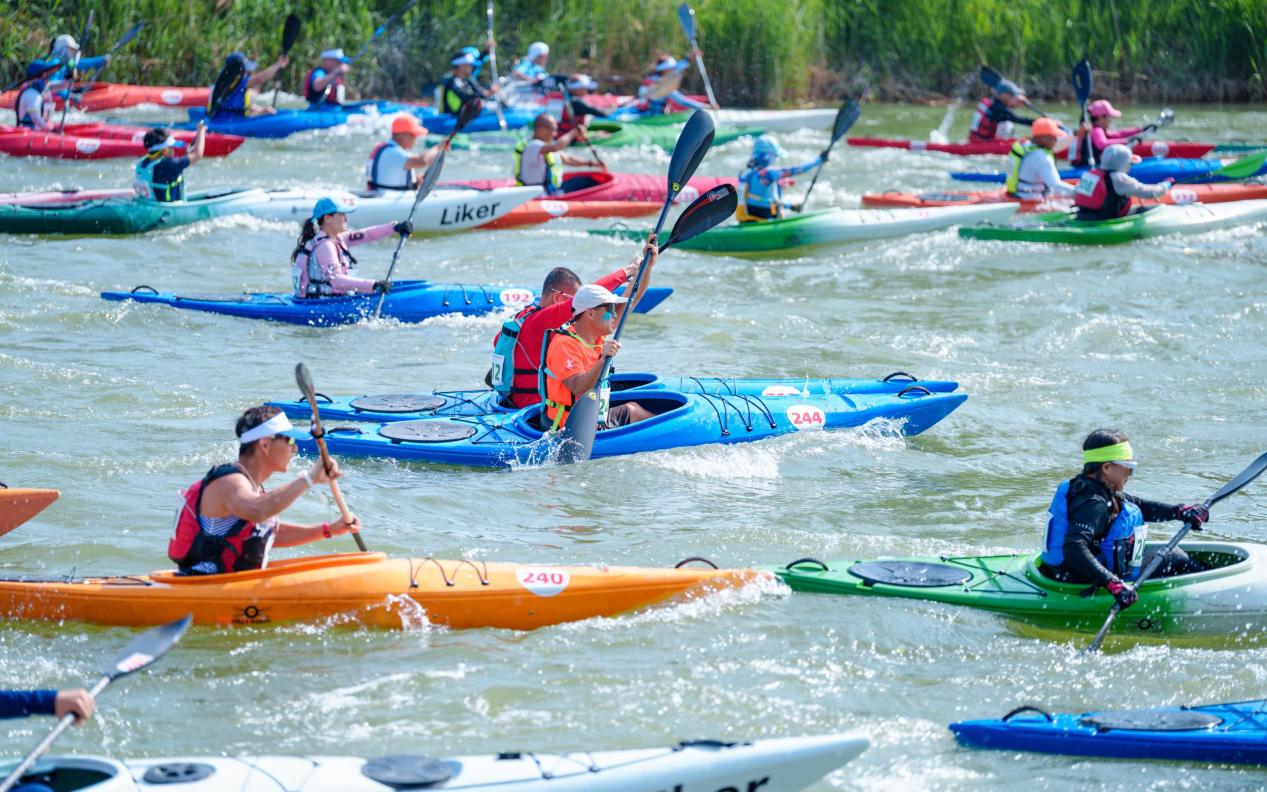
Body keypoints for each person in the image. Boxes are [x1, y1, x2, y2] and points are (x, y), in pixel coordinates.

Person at [168, 406, 362, 575]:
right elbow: (257, 511)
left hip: (231, 586)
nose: (295, 449)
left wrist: (328, 530)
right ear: (265, 444)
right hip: (206, 587)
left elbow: (268, 534)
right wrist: (309, 479)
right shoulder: (229, 482)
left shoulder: (252, 486)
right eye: (291, 441)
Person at [1039, 429, 1210, 611]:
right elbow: (1074, 547)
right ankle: (1210, 596)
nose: (1130, 473)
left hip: (1063, 572)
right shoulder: (1093, 504)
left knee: (1170, 554)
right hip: (1080, 581)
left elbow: (1139, 505)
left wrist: (1180, 511)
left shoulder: (1088, 487)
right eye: (1128, 466)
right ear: (1107, 468)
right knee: (1175, 557)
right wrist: (1113, 583)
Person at [539, 266, 658, 432]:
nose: (614, 314)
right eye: (609, 309)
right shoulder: (564, 345)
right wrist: (602, 361)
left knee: (635, 407)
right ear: (590, 313)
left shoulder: (597, 334)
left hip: (591, 417)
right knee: (633, 411)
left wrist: (648, 266)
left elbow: (633, 298)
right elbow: (578, 387)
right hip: (569, 426)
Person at [291, 197, 412, 299]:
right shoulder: (325, 246)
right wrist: (373, 285)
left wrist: (394, 227)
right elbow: (336, 280)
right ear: (327, 218)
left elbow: (367, 234)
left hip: (331, 299)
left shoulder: (337, 238)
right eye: (342, 214)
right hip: (321, 303)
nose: (346, 218)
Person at [1074, 143, 1173, 221]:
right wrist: (1166, 185)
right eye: (1130, 163)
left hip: (1083, 215)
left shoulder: (1090, 174)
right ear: (1124, 163)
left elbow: (1076, 193)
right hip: (1106, 218)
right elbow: (1151, 193)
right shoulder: (1119, 178)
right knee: (1159, 208)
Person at [736, 135, 825, 221]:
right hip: (763, 217)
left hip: (747, 216)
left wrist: (791, 206)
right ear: (768, 156)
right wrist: (818, 161)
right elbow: (798, 169)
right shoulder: (768, 173)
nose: (776, 159)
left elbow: (765, 197)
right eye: (775, 156)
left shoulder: (747, 172)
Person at [514, 113, 600, 194]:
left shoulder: (546, 147)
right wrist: (573, 133)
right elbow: (556, 147)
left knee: (587, 181)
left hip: (552, 190)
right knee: (587, 183)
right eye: (553, 130)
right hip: (541, 195)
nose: (555, 134)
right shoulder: (533, 146)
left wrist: (592, 164)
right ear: (542, 130)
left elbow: (568, 159)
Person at [1003, 117, 1077, 203]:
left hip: (1015, 193)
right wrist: (1079, 192)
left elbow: (1055, 147)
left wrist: (1074, 134)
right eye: (1054, 137)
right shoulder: (1042, 158)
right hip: (1029, 199)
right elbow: (1055, 186)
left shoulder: (1025, 145)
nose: (1056, 140)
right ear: (1043, 138)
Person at [365, 115, 447, 191]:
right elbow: (422, 161)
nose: (415, 138)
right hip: (388, 202)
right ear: (401, 134)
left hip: (385, 196)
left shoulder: (387, 150)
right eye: (413, 134)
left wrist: (416, 181)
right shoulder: (393, 153)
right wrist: (438, 147)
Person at [134, 123, 207, 203]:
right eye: (172, 147)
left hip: (147, 204)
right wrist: (201, 130)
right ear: (165, 151)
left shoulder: (143, 162)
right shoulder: (170, 164)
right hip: (166, 209)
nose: (174, 150)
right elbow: (197, 154)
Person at [209, 51, 288, 118]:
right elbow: (259, 79)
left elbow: (239, 107)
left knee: (265, 111)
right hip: (231, 121)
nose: (246, 72)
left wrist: (260, 110)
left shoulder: (223, 81)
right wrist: (278, 65)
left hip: (222, 117)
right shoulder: (238, 83)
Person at [1071, 99, 1147, 167]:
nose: (1111, 120)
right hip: (1088, 167)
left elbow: (1119, 133)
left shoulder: (1098, 129)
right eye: (1109, 117)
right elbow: (1102, 144)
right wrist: (1126, 141)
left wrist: (1140, 130)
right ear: (1101, 117)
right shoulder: (1096, 130)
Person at [638, 54, 716, 114]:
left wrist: (688, 57)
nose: (673, 71)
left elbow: (677, 68)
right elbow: (682, 101)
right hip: (653, 117)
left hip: (644, 112)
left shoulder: (652, 78)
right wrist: (707, 107)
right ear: (665, 70)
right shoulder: (664, 86)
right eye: (671, 69)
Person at [968, 79, 1036, 142]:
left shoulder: (991, 103)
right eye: (1012, 95)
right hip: (983, 143)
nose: (1015, 97)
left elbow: (1010, 109)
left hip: (976, 140)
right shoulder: (998, 109)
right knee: (1008, 124)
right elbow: (1018, 119)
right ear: (1004, 95)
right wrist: (1038, 122)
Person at [26, 33, 108, 85]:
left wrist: (102, 60)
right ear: (64, 49)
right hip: (52, 96)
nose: (73, 52)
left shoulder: (67, 62)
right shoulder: (55, 62)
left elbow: (83, 63)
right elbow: (51, 85)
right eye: (71, 49)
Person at [439, 50, 495, 116]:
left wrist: (486, 51)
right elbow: (465, 97)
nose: (472, 67)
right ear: (461, 66)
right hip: (449, 120)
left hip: (464, 117)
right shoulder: (451, 82)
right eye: (470, 65)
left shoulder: (467, 80)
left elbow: (479, 91)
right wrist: (486, 94)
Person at [12, 62, 60, 129]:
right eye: (45, 75)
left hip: (35, 131)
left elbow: (46, 116)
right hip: (27, 133)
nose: (47, 78)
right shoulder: (31, 94)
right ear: (39, 76)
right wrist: (50, 129)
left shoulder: (38, 92)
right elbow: (36, 119)